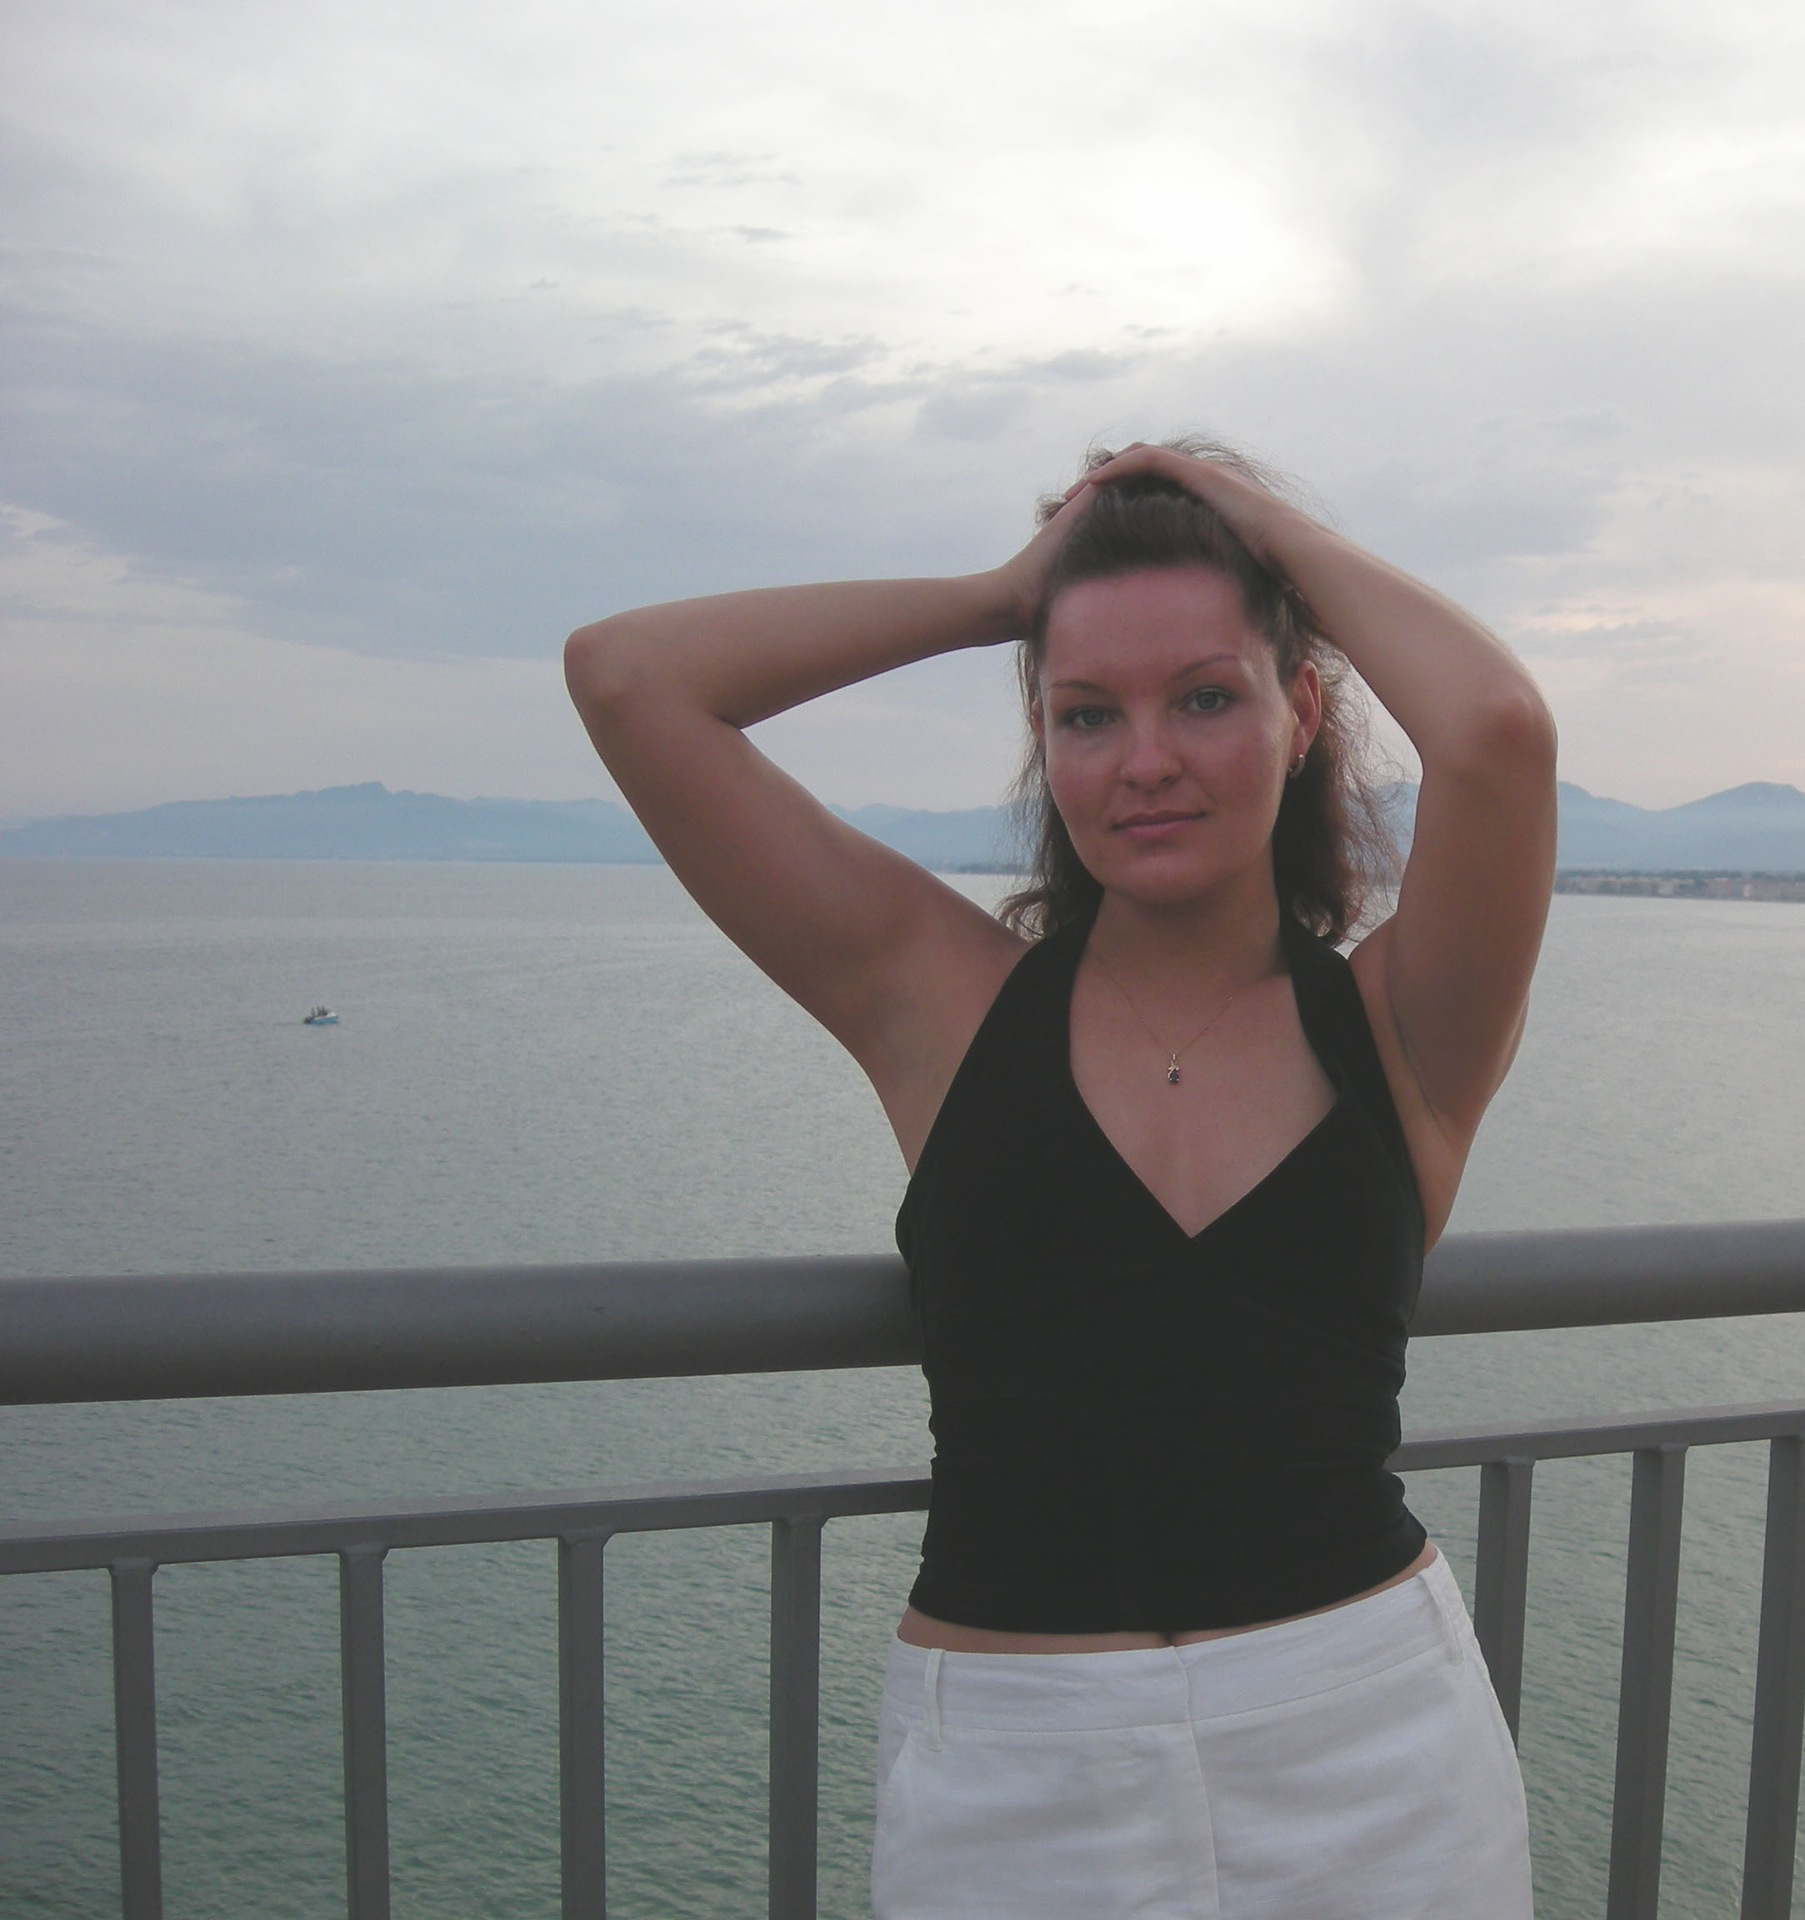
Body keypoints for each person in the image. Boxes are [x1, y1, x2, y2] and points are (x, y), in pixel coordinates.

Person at [565, 439, 1557, 1918]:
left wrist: (1263, 531)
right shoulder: (938, 1001)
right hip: (1015, 1789)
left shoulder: (1400, 1027)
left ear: (1301, 714)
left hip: (1373, 1752)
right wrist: (1002, 596)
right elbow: (630, 680)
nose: (1145, 760)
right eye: (1088, 712)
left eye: (1205, 697)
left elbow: (1496, 731)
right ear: (1044, 738)